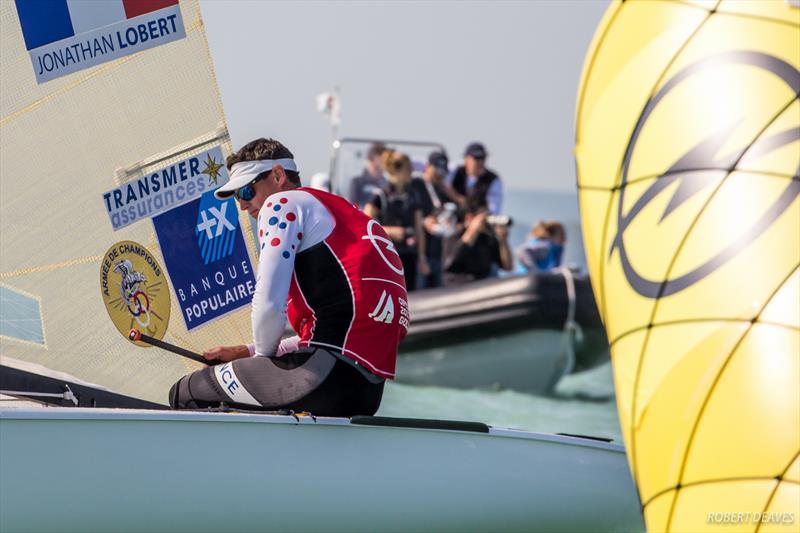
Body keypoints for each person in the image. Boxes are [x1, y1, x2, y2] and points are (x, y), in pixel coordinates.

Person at [169, 138, 408, 416]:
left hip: (322, 378)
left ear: (278, 176)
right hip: (365, 390)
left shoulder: (281, 204)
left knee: (187, 391)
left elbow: (269, 302)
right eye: (237, 197)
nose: (244, 205)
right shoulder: (346, 212)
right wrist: (246, 352)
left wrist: (260, 364)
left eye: (247, 190)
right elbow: (334, 326)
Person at [364, 149, 427, 291]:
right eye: (408, 168)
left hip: (409, 255)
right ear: (397, 169)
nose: (411, 171)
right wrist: (390, 231)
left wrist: (422, 257)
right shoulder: (380, 195)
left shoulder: (413, 195)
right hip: (387, 256)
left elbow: (419, 229)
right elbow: (365, 225)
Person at [442, 197, 513, 286]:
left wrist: (503, 241)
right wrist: (473, 230)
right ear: (469, 218)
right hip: (458, 286)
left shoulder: (488, 240)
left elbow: (508, 267)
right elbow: (451, 262)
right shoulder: (454, 237)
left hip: (481, 286)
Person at [410, 150, 456, 289]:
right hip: (420, 254)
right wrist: (424, 221)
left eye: (442, 172)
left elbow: (457, 210)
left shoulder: (442, 189)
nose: (439, 175)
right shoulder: (415, 184)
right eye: (437, 170)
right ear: (428, 166)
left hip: (438, 253)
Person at [448, 142, 503, 215]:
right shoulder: (454, 171)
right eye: (476, 158)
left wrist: (480, 217)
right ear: (466, 159)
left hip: (479, 221)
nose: (480, 162)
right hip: (452, 217)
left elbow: (494, 209)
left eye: (482, 158)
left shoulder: (493, 180)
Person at [349, 142, 388, 209]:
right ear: (370, 159)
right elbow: (353, 207)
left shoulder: (388, 184)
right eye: (381, 158)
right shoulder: (357, 182)